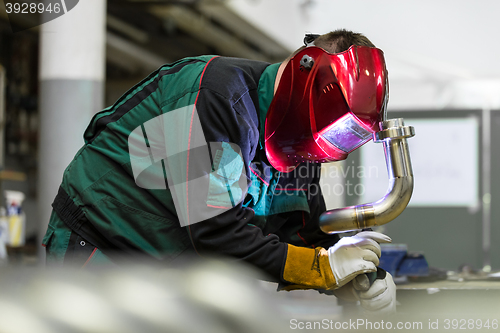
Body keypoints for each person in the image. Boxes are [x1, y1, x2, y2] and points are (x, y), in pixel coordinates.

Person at [42, 29, 396, 313]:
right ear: (303, 80)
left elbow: (303, 235)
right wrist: (323, 269)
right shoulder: (217, 95)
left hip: (172, 265)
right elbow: (213, 230)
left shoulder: (299, 145)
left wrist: (357, 279)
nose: (319, 152)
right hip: (102, 242)